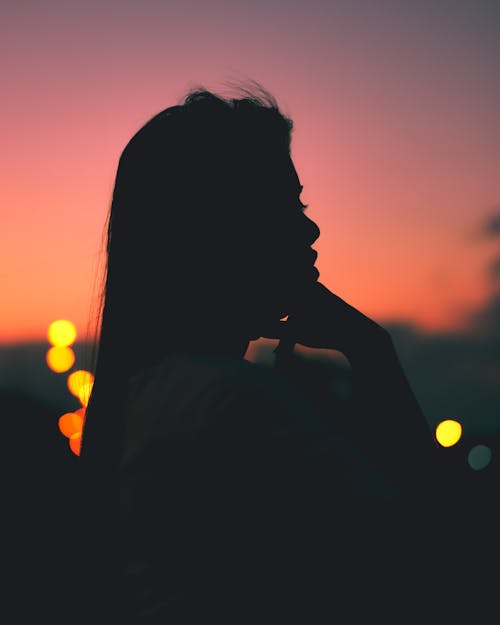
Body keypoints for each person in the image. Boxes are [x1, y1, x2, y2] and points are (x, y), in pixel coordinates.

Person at [79, 83, 464, 624]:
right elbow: (437, 560)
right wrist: (373, 351)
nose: (311, 227)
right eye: (286, 204)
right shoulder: (230, 402)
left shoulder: (157, 393)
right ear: (217, 226)